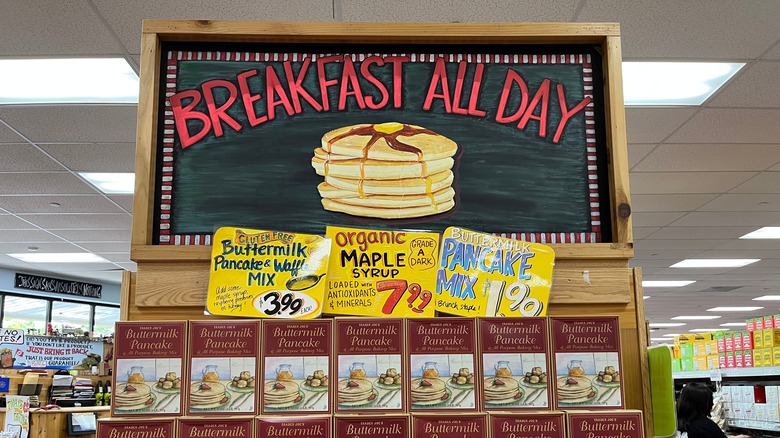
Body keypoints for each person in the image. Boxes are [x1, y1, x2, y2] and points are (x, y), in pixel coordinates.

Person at [677, 382, 749, 438]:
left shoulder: (677, 425)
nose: (712, 404)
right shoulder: (705, 426)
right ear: (702, 404)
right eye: (710, 401)